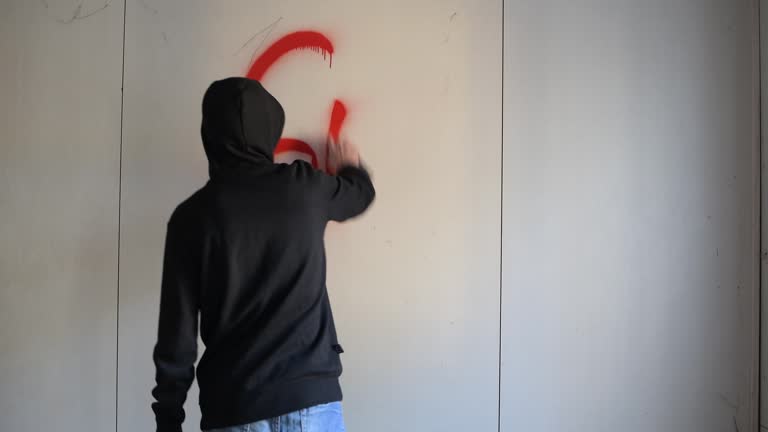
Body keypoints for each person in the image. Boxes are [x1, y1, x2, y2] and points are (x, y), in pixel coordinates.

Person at [151, 77, 375, 432]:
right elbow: (359, 195)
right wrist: (351, 166)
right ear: (270, 128)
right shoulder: (305, 188)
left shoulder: (190, 218)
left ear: (210, 135)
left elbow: (176, 339)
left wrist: (168, 419)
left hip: (231, 407)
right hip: (309, 399)